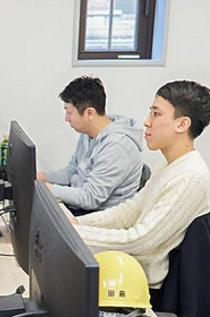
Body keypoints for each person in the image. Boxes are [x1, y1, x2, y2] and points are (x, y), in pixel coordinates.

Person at [72, 80, 210, 289]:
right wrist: (78, 224)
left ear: (182, 124)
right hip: (131, 271)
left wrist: (76, 234)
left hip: (148, 290)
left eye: (156, 114)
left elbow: (140, 240)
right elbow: (131, 211)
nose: (147, 122)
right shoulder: (168, 165)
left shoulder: (191, 176)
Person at [37, 75, 145, 213]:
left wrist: (48, 189)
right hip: (81, 204)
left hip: (99, 215)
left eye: (69, 112)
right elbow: (72, 171)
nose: (66, 118)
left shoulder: (117, 146)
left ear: (89, 113)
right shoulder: (88, 133)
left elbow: (90, 198)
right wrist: (44, 178)